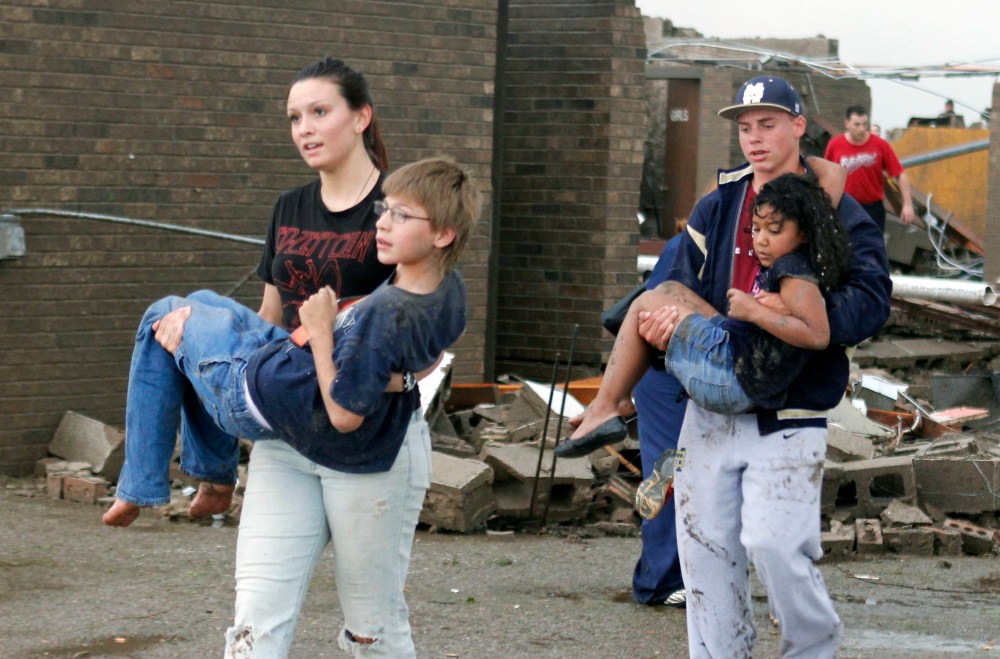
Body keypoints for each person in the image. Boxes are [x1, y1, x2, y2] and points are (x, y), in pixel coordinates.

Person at [105, 156, 479, 658]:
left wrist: (323, 330)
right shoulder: (443, 285)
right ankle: (204, 477)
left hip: (309, 425)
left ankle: (168, 482)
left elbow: (346, 411)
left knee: (374, 629)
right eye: (383, 211)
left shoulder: (389, 310)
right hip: (283, 410)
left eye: (401, 216)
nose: (383, 225)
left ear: (444, 235)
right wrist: (396, 374)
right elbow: (427, 355)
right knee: (255, 623)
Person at [570, 75, 891, 658]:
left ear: (798, 126)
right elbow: (678, 286)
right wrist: (670, 331)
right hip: (711, 403)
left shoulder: (833, 208)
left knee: (774, 546)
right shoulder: (718, 204)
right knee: (705, 552)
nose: (754, 138)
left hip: (789, 405)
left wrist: (789, 318)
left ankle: (812, 650)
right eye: (744, 128)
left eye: (768, 124)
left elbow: (873, 300)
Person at [558, 173, 851, 504]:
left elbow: (817, 334)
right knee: (670, 290)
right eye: (755, 229)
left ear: (804, 233)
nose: (761, 240)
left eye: (774, 230)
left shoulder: (795, 274)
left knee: (644, 305)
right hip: (741, 362)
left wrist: (755, 312)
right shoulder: (788, 266)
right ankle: (615, 399)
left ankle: (608, 405)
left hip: (732, 379)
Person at [824, 104, 916, 231]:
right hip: (845, 207)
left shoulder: (880, 145)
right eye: (857, 124)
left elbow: (900, 174)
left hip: (872, 209)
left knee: (873, 247)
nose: (861, 129)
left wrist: (907, 204)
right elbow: (825, 175)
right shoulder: (835, 145)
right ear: (847, 124)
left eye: (864, 124)